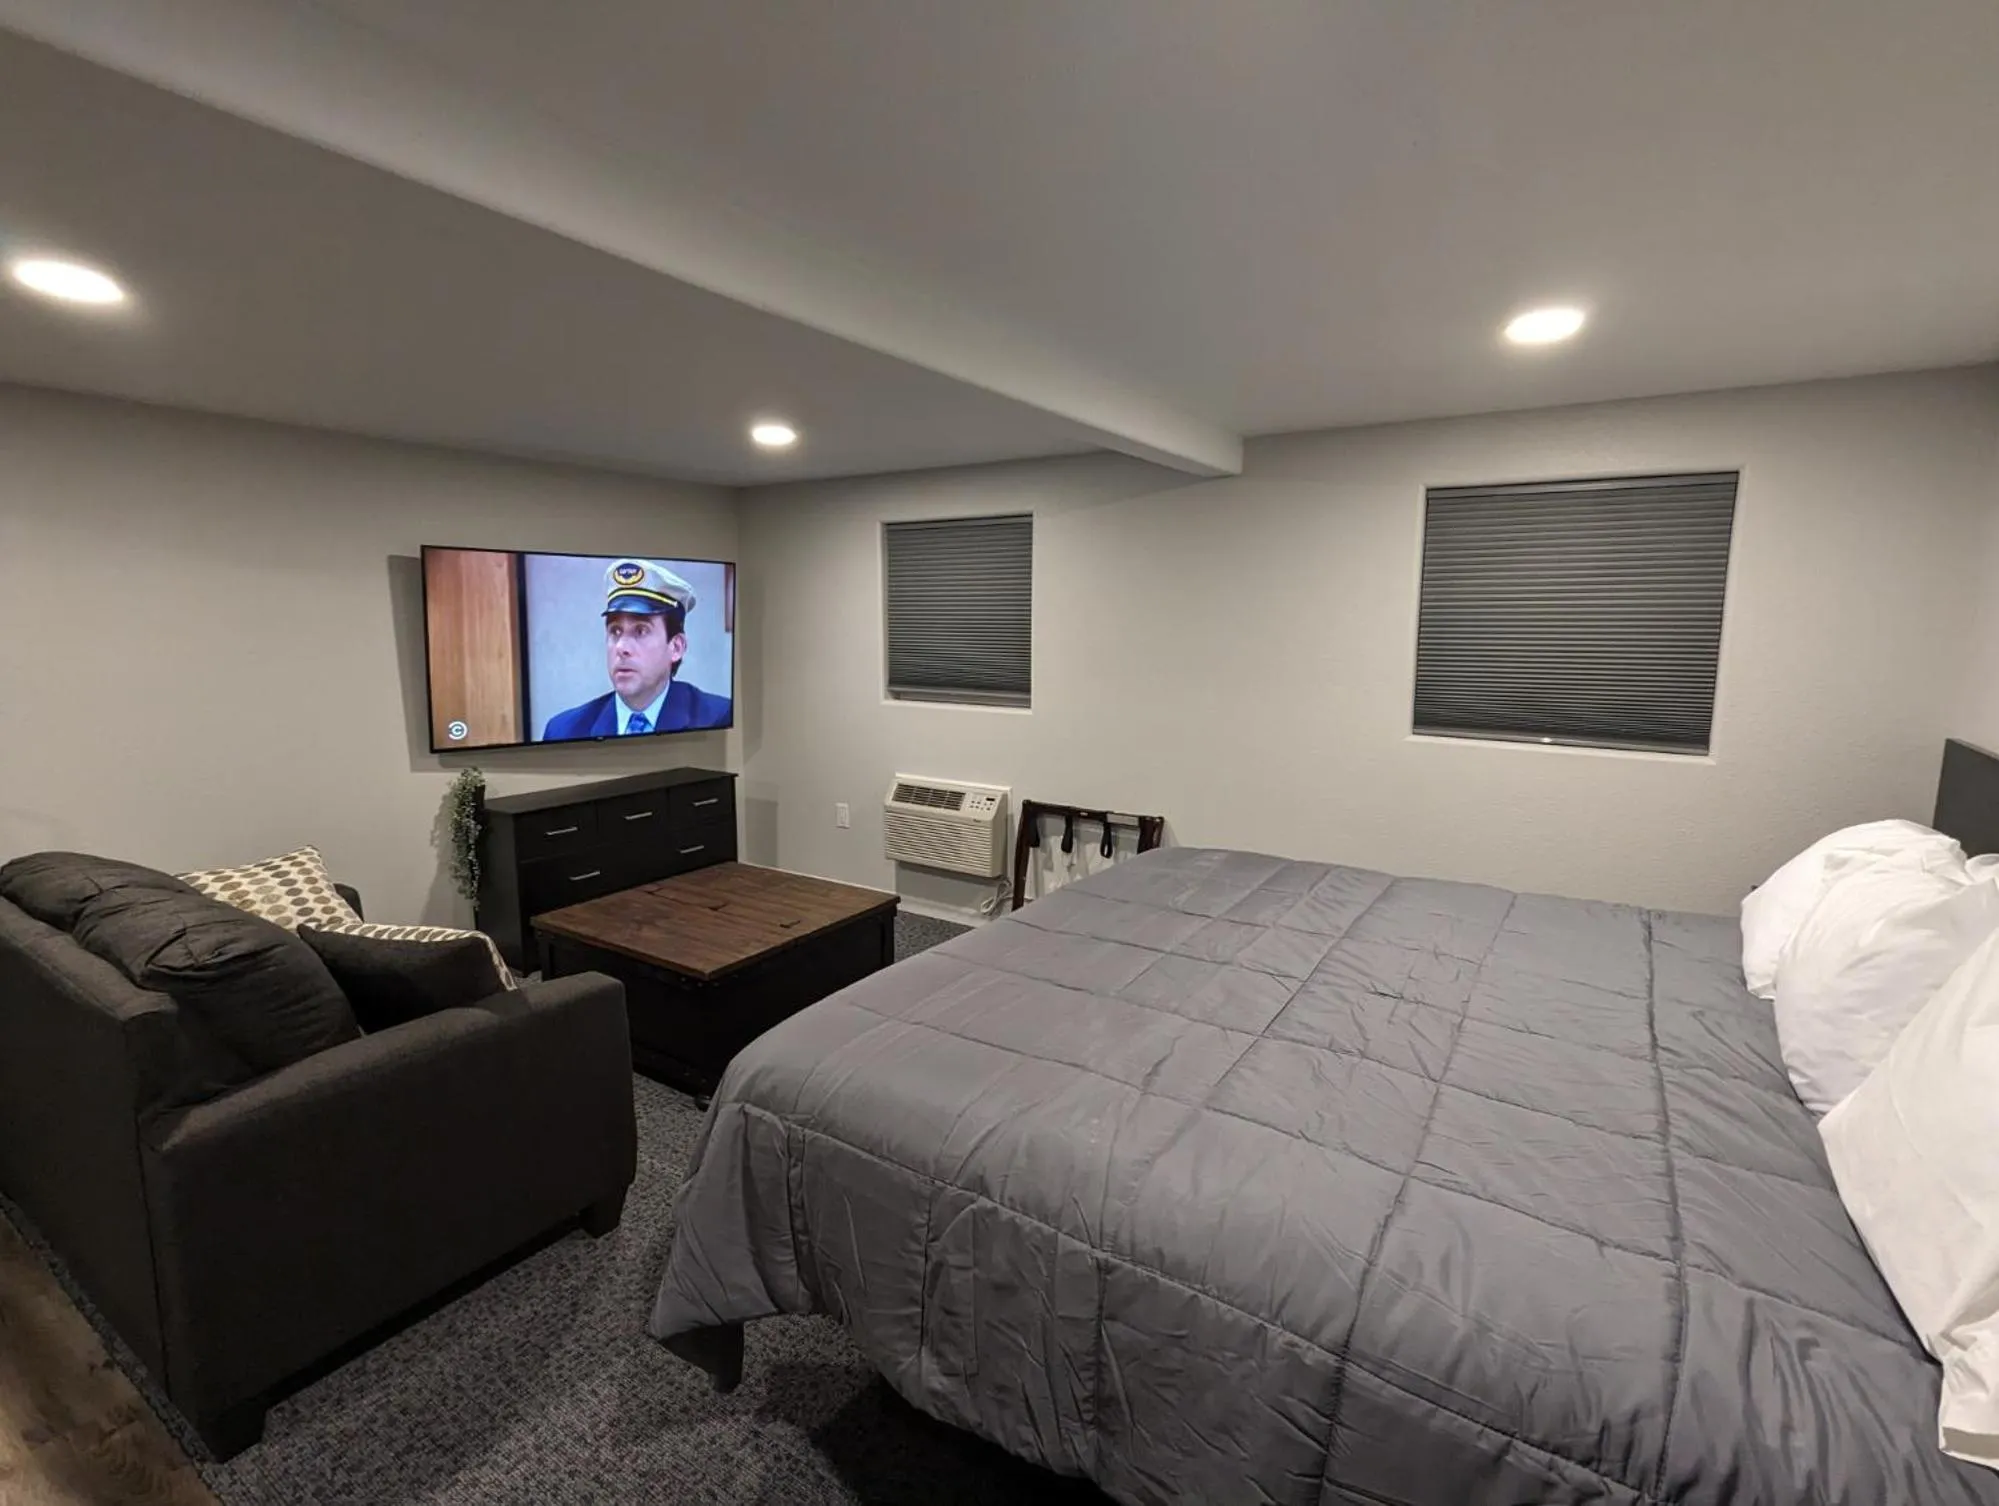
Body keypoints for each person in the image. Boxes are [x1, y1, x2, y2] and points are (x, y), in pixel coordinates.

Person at [541, 559, 732, 740]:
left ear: (676, 647)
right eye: (615, 631)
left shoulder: (718, 718)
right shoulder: (565, 731)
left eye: (641, 631)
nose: (622, 647)